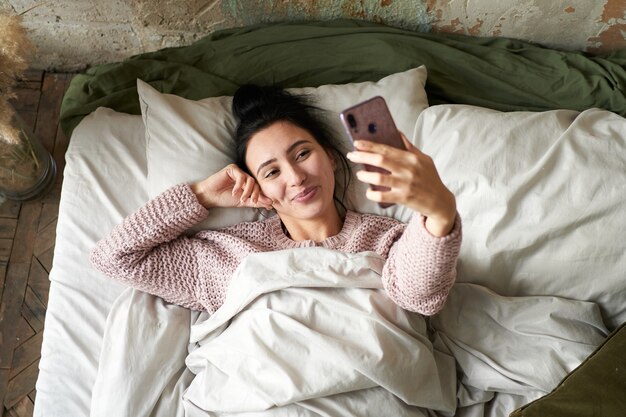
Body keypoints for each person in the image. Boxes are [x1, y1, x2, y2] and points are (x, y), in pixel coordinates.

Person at [90, 85, 462, 315]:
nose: (296, 177)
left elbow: (419, 297)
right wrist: (202, 195)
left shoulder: (389, 240)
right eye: (271, 172)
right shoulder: (225, 254)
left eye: (302, 154)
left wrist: (439, 211)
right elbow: (114, 258)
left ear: (331, 156)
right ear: (259, 190)